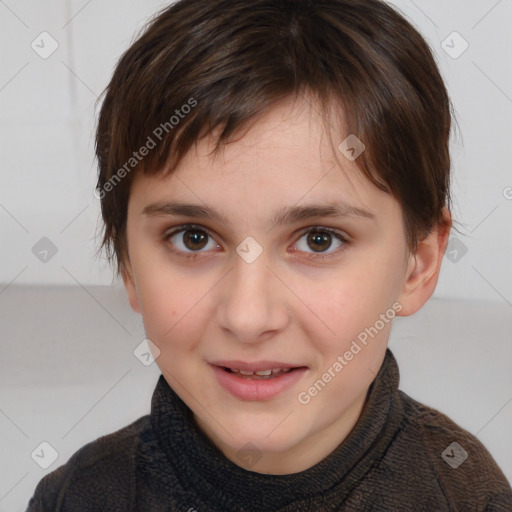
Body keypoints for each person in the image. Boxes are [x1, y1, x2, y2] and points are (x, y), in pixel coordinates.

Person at [26, 0, 512, 510]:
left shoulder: (467, 496)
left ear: (420, 262)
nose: (248, 316)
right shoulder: (76, 498)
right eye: (193, 238)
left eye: (319, 239)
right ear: (127, 261)